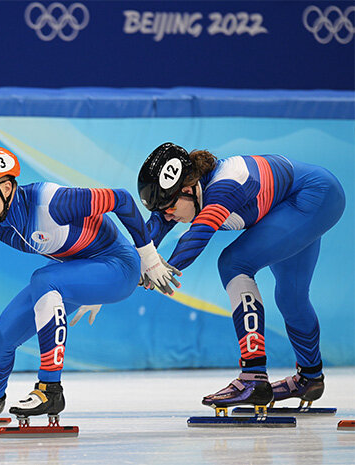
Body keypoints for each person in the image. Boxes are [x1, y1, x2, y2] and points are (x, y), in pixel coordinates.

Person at [0, 146, 179, 420]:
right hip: (74, 271)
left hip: (118, 266)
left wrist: (148, 256)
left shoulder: (52, 202)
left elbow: (122, 200)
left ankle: (50, 389)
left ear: (5, 188)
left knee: (44, 279)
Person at [137, 142, 345, 410]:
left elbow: (197, 236)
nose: (167, 215)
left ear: (187, 189)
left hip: (312, 196)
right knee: (291, 297)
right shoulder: (185, 196)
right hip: (294, 202)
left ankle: (253, 378)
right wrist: (121, 273)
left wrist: (161, 270)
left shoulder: (226, 186)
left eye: (168, 207)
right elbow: (146, 239)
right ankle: (310, 377)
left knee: (234, 264)